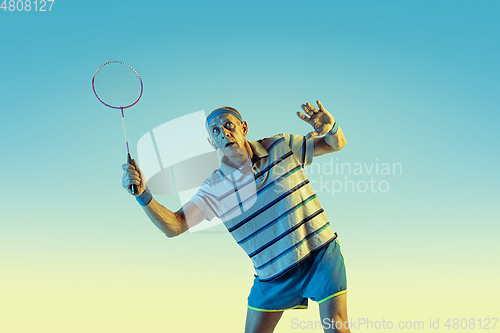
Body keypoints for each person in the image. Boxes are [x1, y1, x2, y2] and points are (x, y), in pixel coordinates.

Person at [122, 100, 351, 333]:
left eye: (228, 125)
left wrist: (331, 128)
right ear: (212, 142)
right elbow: (175, 226)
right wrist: (143, 194)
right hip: (272, 275)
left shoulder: (281, 145)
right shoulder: (215, 188)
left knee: (336, 328)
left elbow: (335, 144)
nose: (224, 133)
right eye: (215, 131)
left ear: (244, 128)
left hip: (320, 256)